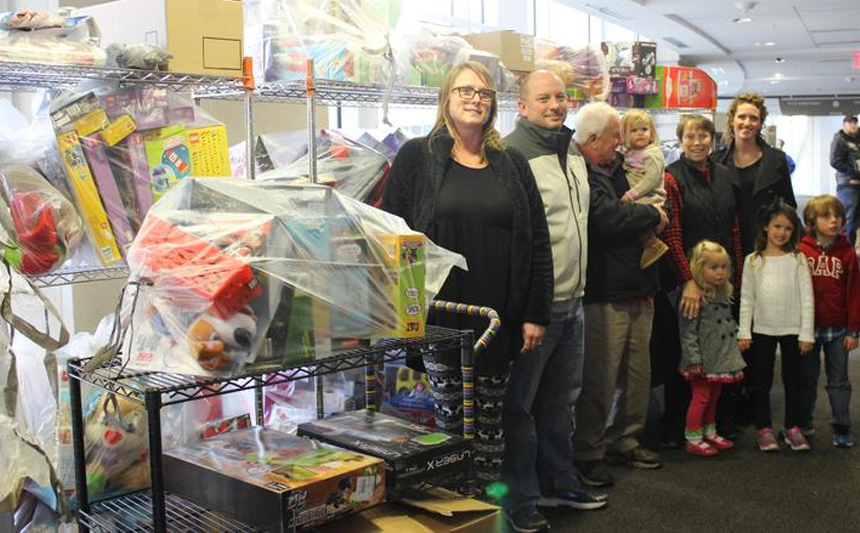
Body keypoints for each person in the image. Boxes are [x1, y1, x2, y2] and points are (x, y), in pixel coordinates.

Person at [380, 61, 554, 490]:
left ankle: (485, 510)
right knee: (450, 417)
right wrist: (401, 310)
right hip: (441, 313)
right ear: (446, 98)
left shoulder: (511, 162)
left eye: (484, 93)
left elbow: (536, 240)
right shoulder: (417, 156)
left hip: (498, 315)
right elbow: (391, 234)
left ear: (494, 104)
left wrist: (536, 312)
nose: (475, 99)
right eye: (465, 91)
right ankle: (454, 503)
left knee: (491, 419)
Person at [501, 69, 606, 533]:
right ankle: (520, 500)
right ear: (522, 106)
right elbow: (517, 244)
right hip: (537, 311)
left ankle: (559, 482)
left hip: (574, 301)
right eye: (543, 98)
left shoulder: (573, 152)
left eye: (561, 97)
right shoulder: (512, 155)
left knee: (561, 403)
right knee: (519, 409)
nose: (555, 105)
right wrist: (528, 309)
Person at [572, 102, 669, 487]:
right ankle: (589, 451)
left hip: (640, 286)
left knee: (636, 374)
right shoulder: (583, 170)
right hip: (605, 291)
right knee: (600, 377)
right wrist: (651, 217)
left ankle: (625, 438)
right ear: (593, 139)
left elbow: (643, 206)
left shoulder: (619, 167)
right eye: (615, 136)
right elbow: (605, 218)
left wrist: (650, 213)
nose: (621, 143)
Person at [657, 115, 743, 447]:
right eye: (690, 136)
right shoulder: (672, 177)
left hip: (721, 278)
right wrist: (688, 280)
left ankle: (714, 424)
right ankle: (677, 425)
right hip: (688, 282)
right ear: (681, 140)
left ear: (713, 138)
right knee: (686, 353)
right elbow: (673, 236)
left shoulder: (724, 175)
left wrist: (734, 276)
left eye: (703, 135)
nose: (697, 142)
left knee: (719, 348)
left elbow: (733, 227)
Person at [737, 201, 814, 452]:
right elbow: (747, 298)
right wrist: (744, 331)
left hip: (793, 329)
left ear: (794, 232)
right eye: (777, 226)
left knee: (794, 381)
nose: (781, 232)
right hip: (762, 330)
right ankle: (764, 428)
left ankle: (793, 427)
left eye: (788, 228)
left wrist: (806, 333)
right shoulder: (753, 261)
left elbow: (807, 297)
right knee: (762, 382)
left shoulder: (798, 259)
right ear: (766, 227)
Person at [798, 195, 860, 448]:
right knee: (807, 378)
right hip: (808, 329)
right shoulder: (801, 251)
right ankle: (803, 423)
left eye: (838, 216)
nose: (834, 221)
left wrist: (854, 330)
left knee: (839, 380)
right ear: (812, 222)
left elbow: (855, 293)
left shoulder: (846, 253)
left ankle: (842, 425)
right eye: (826, 216)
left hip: (838, 329)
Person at [678, 240, 746, 457]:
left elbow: (726, 322)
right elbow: (688, 333)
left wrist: (738, 337)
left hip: (721, 356)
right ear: (699, 269)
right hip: (702, 359)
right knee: (701, 397)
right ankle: (693, 437)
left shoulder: (723, 292)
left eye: (723, 267)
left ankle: (710, 431)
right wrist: (693, 359)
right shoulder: (695, 298)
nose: (720, 273)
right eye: (713, 267)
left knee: (714, 397)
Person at [712, 93, 796, 256]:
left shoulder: (777, 160)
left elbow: (789, 204)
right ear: (731, 120)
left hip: (766, 244)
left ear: (760, 124)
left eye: (753, 118)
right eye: (741, 117)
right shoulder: (715, 162)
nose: (747, 123)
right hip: (727, 246)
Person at [620, 109, 668, 268]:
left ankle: (652, 245)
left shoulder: (652, 153)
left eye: (644, 129)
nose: (640, 134)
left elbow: (652, 179)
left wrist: (631, 194)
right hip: (640, 196)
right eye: (634, 130)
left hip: (649, 196)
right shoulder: (631, 153)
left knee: (637, 215)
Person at [829, 115, 860, 243]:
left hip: (857, 184)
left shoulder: (856, 139)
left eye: (855, 123)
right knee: (847, 219)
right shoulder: (839, 140)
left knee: (855, 220)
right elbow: (834, 161)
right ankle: (844, 251)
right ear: (844, 124)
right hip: (847, 185)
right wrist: (852, 172)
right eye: (850, 123)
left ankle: (850, 251)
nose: (853, 125)